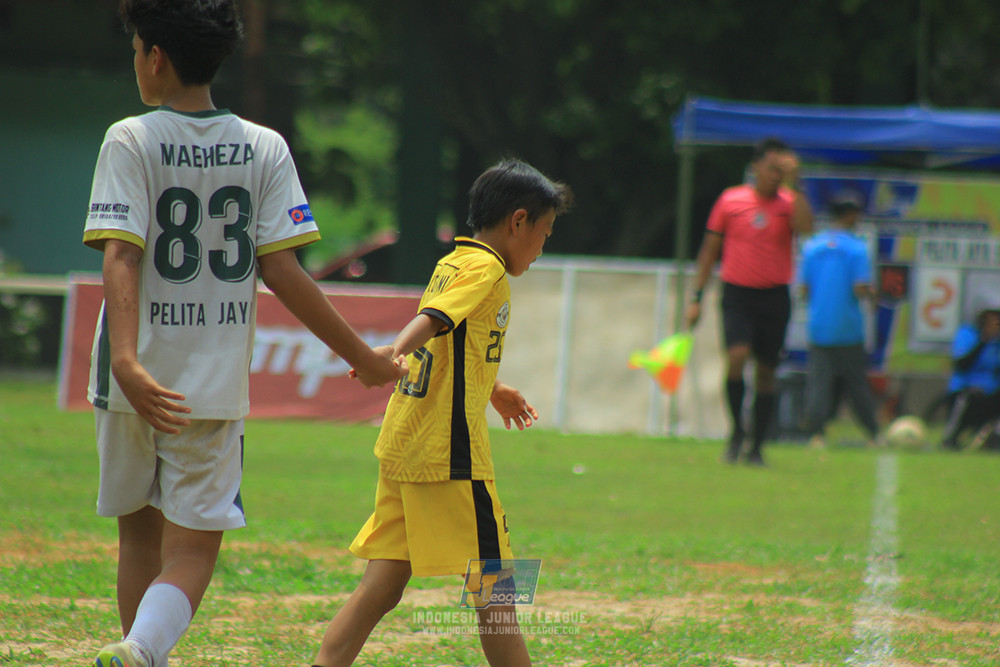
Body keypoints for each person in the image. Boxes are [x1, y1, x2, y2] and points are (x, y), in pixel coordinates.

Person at [83, 2, 406, 666]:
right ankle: (143, 649)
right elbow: (285, 272)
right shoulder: (265, 146)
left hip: (129, 376)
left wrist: (125, 358)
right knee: (193, 549)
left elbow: (122, 254)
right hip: (209, 384)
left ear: (155, 59)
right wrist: (364, 358)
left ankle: (140, 652)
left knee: (137, 538)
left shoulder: (129, 138)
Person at [312, 159, 573, 667]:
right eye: (544, 233)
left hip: (406, 444)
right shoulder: (487, 268)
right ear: (518, 222)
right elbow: (431, 321)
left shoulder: (454, 261)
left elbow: (450, 338)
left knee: (382, 585)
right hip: (450, 457)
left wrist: (492, 387)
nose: (542, 248)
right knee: (497, 593)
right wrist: (390, 355)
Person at [686, 137, 813, 466]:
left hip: (774, 295)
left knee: (767, 372)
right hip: (737, 293)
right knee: (738, 356)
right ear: (756, 166)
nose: (775, 175)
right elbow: (710, 250)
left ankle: (756, 445)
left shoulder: (789, 201)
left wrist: (795, 184)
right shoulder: (731, 200)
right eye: (772, 168)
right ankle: (736, 433)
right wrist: (696, 296)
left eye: (781, 170)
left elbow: (807, 231)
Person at [798, 191, 879, 448]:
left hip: (820, 326)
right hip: (848, 328)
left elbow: (803, 290)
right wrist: (873, 295)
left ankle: (816, 434)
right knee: (856, 383)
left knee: (818, 384)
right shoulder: (857, 249)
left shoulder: (812, 246)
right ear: (850, 215)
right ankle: (873, 433)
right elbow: (859, 288)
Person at [940, 304, 1000, 450]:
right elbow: (962, 365)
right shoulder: (967, 334)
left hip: (991, 391)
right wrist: (984, 340)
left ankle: (994, 438)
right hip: (967, 388)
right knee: (971, 397)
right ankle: (951, 437)